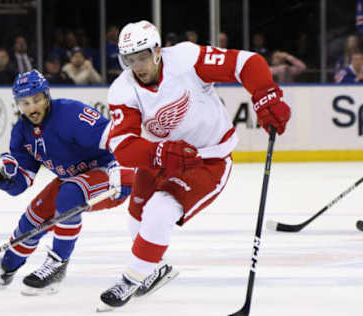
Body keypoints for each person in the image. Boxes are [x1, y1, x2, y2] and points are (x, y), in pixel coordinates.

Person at [98, 20, 291, 310]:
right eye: (130, 59)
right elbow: (122, 146)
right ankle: (155, 268)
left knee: (160, 210)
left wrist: (264, 93)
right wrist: (160, 153)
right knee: (136, 217)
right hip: (163, 158)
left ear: (157, 51)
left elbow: (247, 62)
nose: (137, 66)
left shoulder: (186, 59)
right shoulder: (122, 90)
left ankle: (131, 277)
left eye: (142, 57)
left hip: (207, 158)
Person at [0, 70, 134, 295]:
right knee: (33, 216)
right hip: (73, 179)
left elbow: (114, 138)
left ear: (46, 95)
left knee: (69, 194)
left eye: (36, 100)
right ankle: (5, 269)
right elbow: (21, 182)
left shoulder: (72, 113)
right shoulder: (22, 132)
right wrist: (6, 175)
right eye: (24, 102)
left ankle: (57, 265)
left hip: (109, 175)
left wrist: (123, 169)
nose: (31, 108)